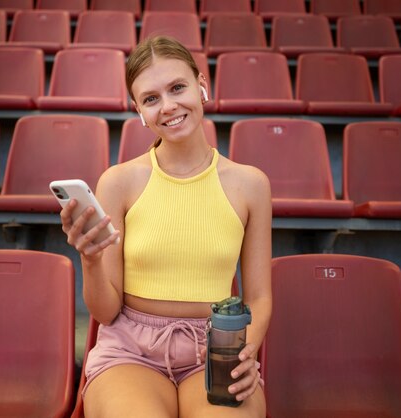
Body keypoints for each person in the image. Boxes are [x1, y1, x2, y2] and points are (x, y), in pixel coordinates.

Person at [60, 36, 272, 418]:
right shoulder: (118, 182)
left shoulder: (251, 184)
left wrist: (245, 352)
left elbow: (259, 298)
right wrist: (89, 260)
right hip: (130, 351)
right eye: (151, 98)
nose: (169, 106)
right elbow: (106, 311)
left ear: (201, 85)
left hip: (216, 347)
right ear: (139, 110)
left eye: (177, 87)